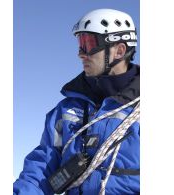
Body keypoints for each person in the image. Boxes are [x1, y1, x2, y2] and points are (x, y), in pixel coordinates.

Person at [13, 8, 140, 195]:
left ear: (119, 51)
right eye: (80, 44)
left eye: (87, 44)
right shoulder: (67, 109)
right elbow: (41, 167)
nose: (80, 54)